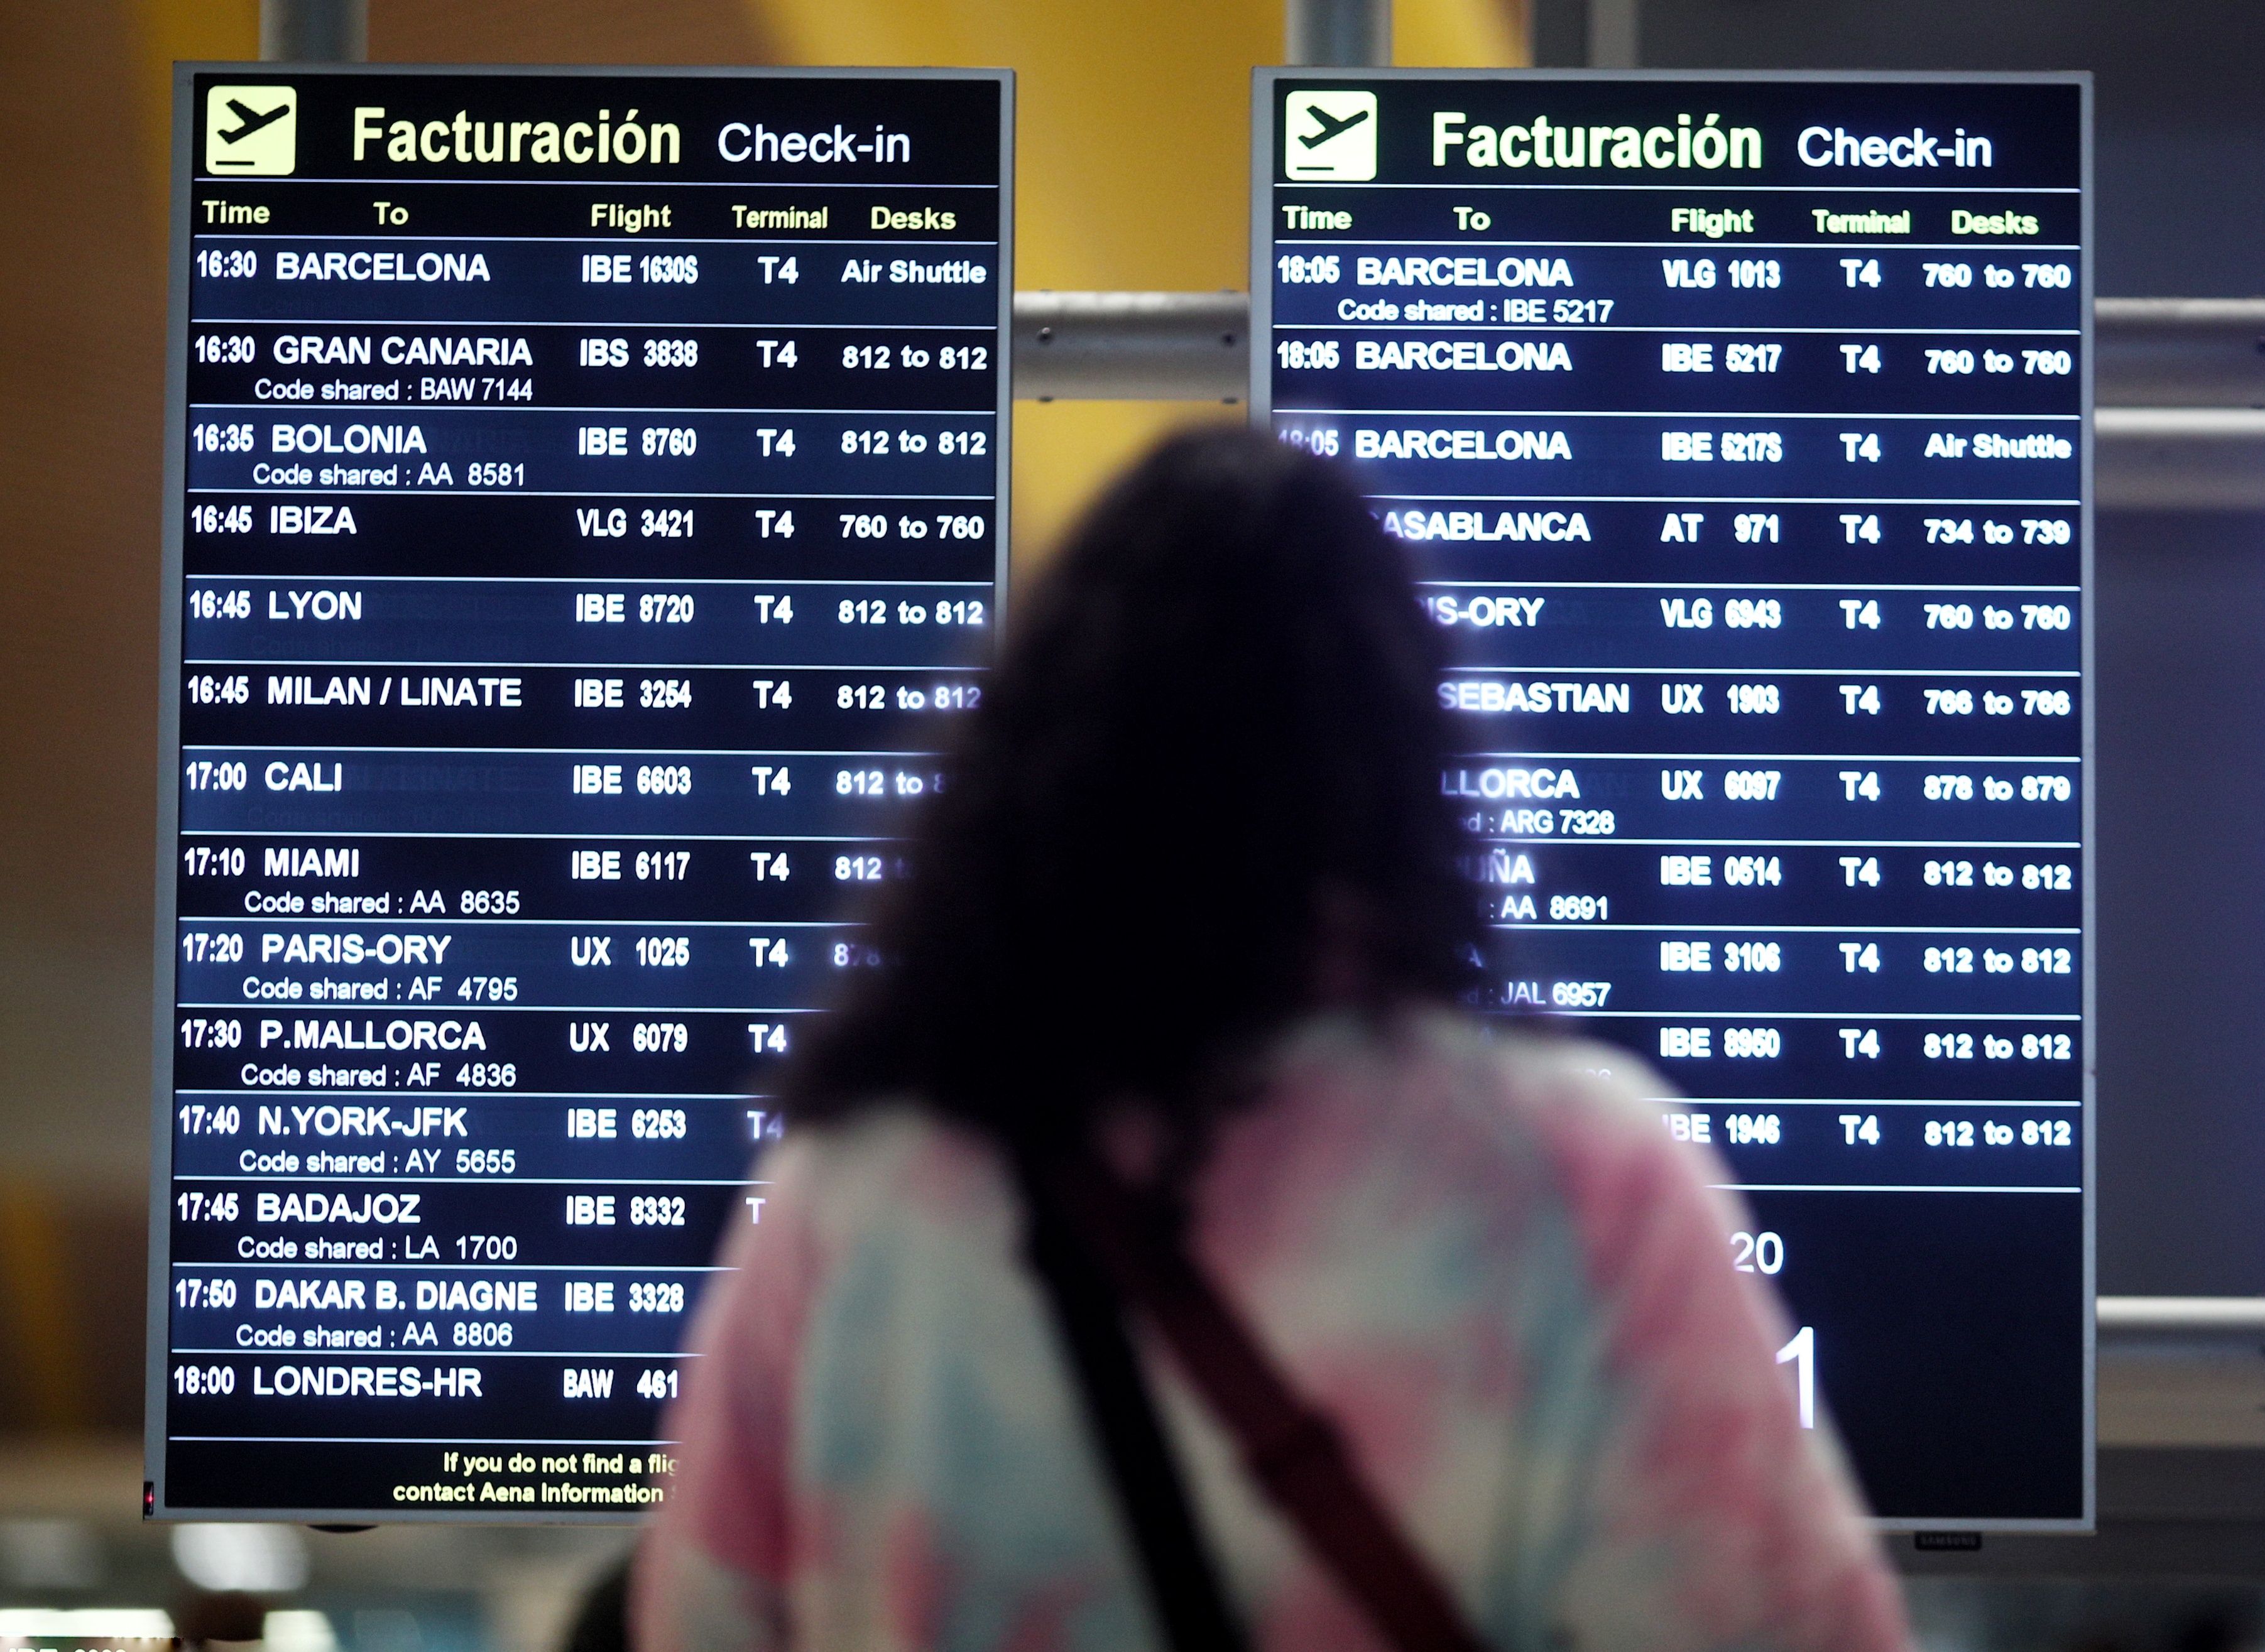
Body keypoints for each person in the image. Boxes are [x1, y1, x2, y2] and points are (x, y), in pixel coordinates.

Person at [634, 428, 1909, 1652]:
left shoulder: (851, 1195)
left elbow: (699, 1625)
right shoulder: (1579, 1168)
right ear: (1403, 763)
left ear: (1028, 767)